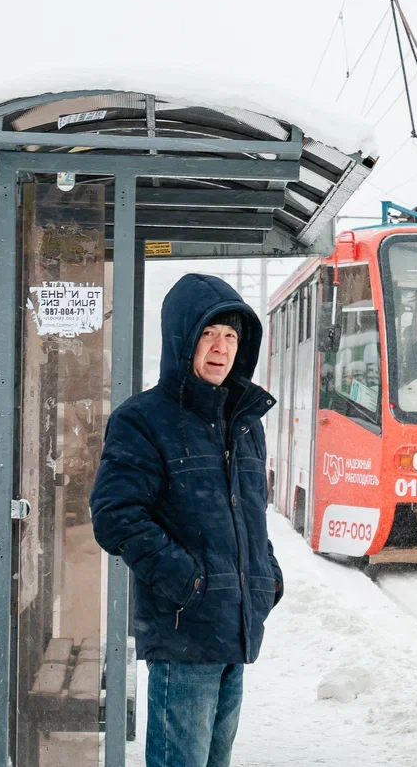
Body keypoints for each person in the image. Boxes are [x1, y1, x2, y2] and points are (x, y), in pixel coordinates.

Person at [90, 273, 282, 767]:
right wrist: (187, 580)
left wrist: (265, 578)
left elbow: (251, 515)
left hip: (234, 628)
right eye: (209, 334)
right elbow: (115, 515)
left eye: (232, 337)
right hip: (183, 632)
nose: (221, 348)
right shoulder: (143, 420)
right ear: (182, 340)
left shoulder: (244, 423)